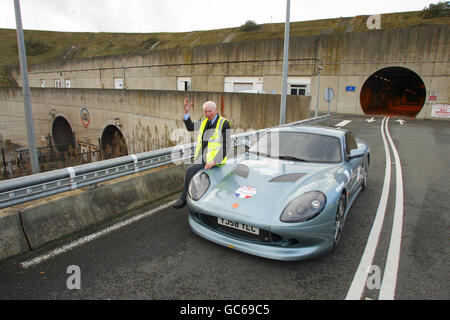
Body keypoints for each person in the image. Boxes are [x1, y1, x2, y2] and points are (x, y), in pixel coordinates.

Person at [173, 97, 231, 209]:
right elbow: (190, 127)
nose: (207, 114)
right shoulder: (204, 120)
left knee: (194, 172)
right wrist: (186, 112)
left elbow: (226, 145)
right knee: (192, 172)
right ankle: (188, 198)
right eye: (205, 111)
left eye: (210, 111)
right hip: (202, 158)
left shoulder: (224, 123)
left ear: (216, 110)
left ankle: (187, 199)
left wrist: (215, 161)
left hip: (215, 161)